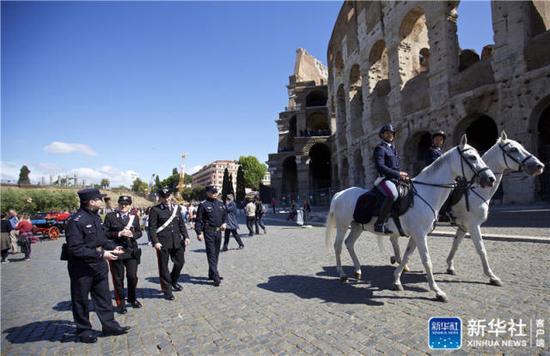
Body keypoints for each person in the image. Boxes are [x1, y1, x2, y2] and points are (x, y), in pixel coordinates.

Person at [65, 188, 130, 343]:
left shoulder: (96, 218)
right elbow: (75, 249)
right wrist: (102, 254)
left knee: (103, 296)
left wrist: (112, 247)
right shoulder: (76, 221)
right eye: (99, 199)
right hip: (82, 268)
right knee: (81, 299)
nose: (102, 201)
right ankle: (84, 330)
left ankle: (109, 325)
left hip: (98, 265)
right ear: (91, 202)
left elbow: (101, 239)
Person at [148, 187, 190, 300]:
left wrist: (186, 236)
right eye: (164, 197)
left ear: (171, 196)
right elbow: (151, 228)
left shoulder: (177, 208)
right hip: (162, 242)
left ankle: (173, 280)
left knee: (180, 263)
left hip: (177, 241)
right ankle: (167, 290)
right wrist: (155, 242)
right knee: (164, 267)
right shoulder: (155, 210)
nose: (166, 199)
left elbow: (181, 224)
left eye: (168, 196)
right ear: (160, 198)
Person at [103, 196, 143, 314]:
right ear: (118, 204)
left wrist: (132, 235)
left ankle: (132, 298)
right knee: (118, 279)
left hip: (131, 251)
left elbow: (140, 232)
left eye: (126, 204)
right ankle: (120, 302)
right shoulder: (110, 217)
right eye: (121, 203)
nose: (124, 206)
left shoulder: (134, 217)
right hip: (117, 250)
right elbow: (105, 233)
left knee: (132, 277)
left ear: (130, 205)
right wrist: (119, 233)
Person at [373, 124, 409, 234]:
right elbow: (380, 166)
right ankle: (379, 223)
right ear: (382, 135)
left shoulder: (393, 149)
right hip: (384, 179)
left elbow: (395, 166)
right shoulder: (380, 149)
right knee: (392, 194)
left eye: (392, 133)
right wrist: (398, 174)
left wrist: (403, 176)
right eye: (387, 132)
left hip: (395, 179)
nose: (390, 135)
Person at [195, 185, 227, 286]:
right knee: (211, 254)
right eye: (213, 192)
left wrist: (224, 223)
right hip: (209, 232)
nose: (215, 193)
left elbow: (225, 216)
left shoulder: (221, 204)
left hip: (218, 232)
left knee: (216, 253)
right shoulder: (203, 205)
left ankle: (211, 273)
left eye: (216, 192)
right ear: (207, 193)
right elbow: (198, 220)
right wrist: (199, 232)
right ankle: (216, 276)